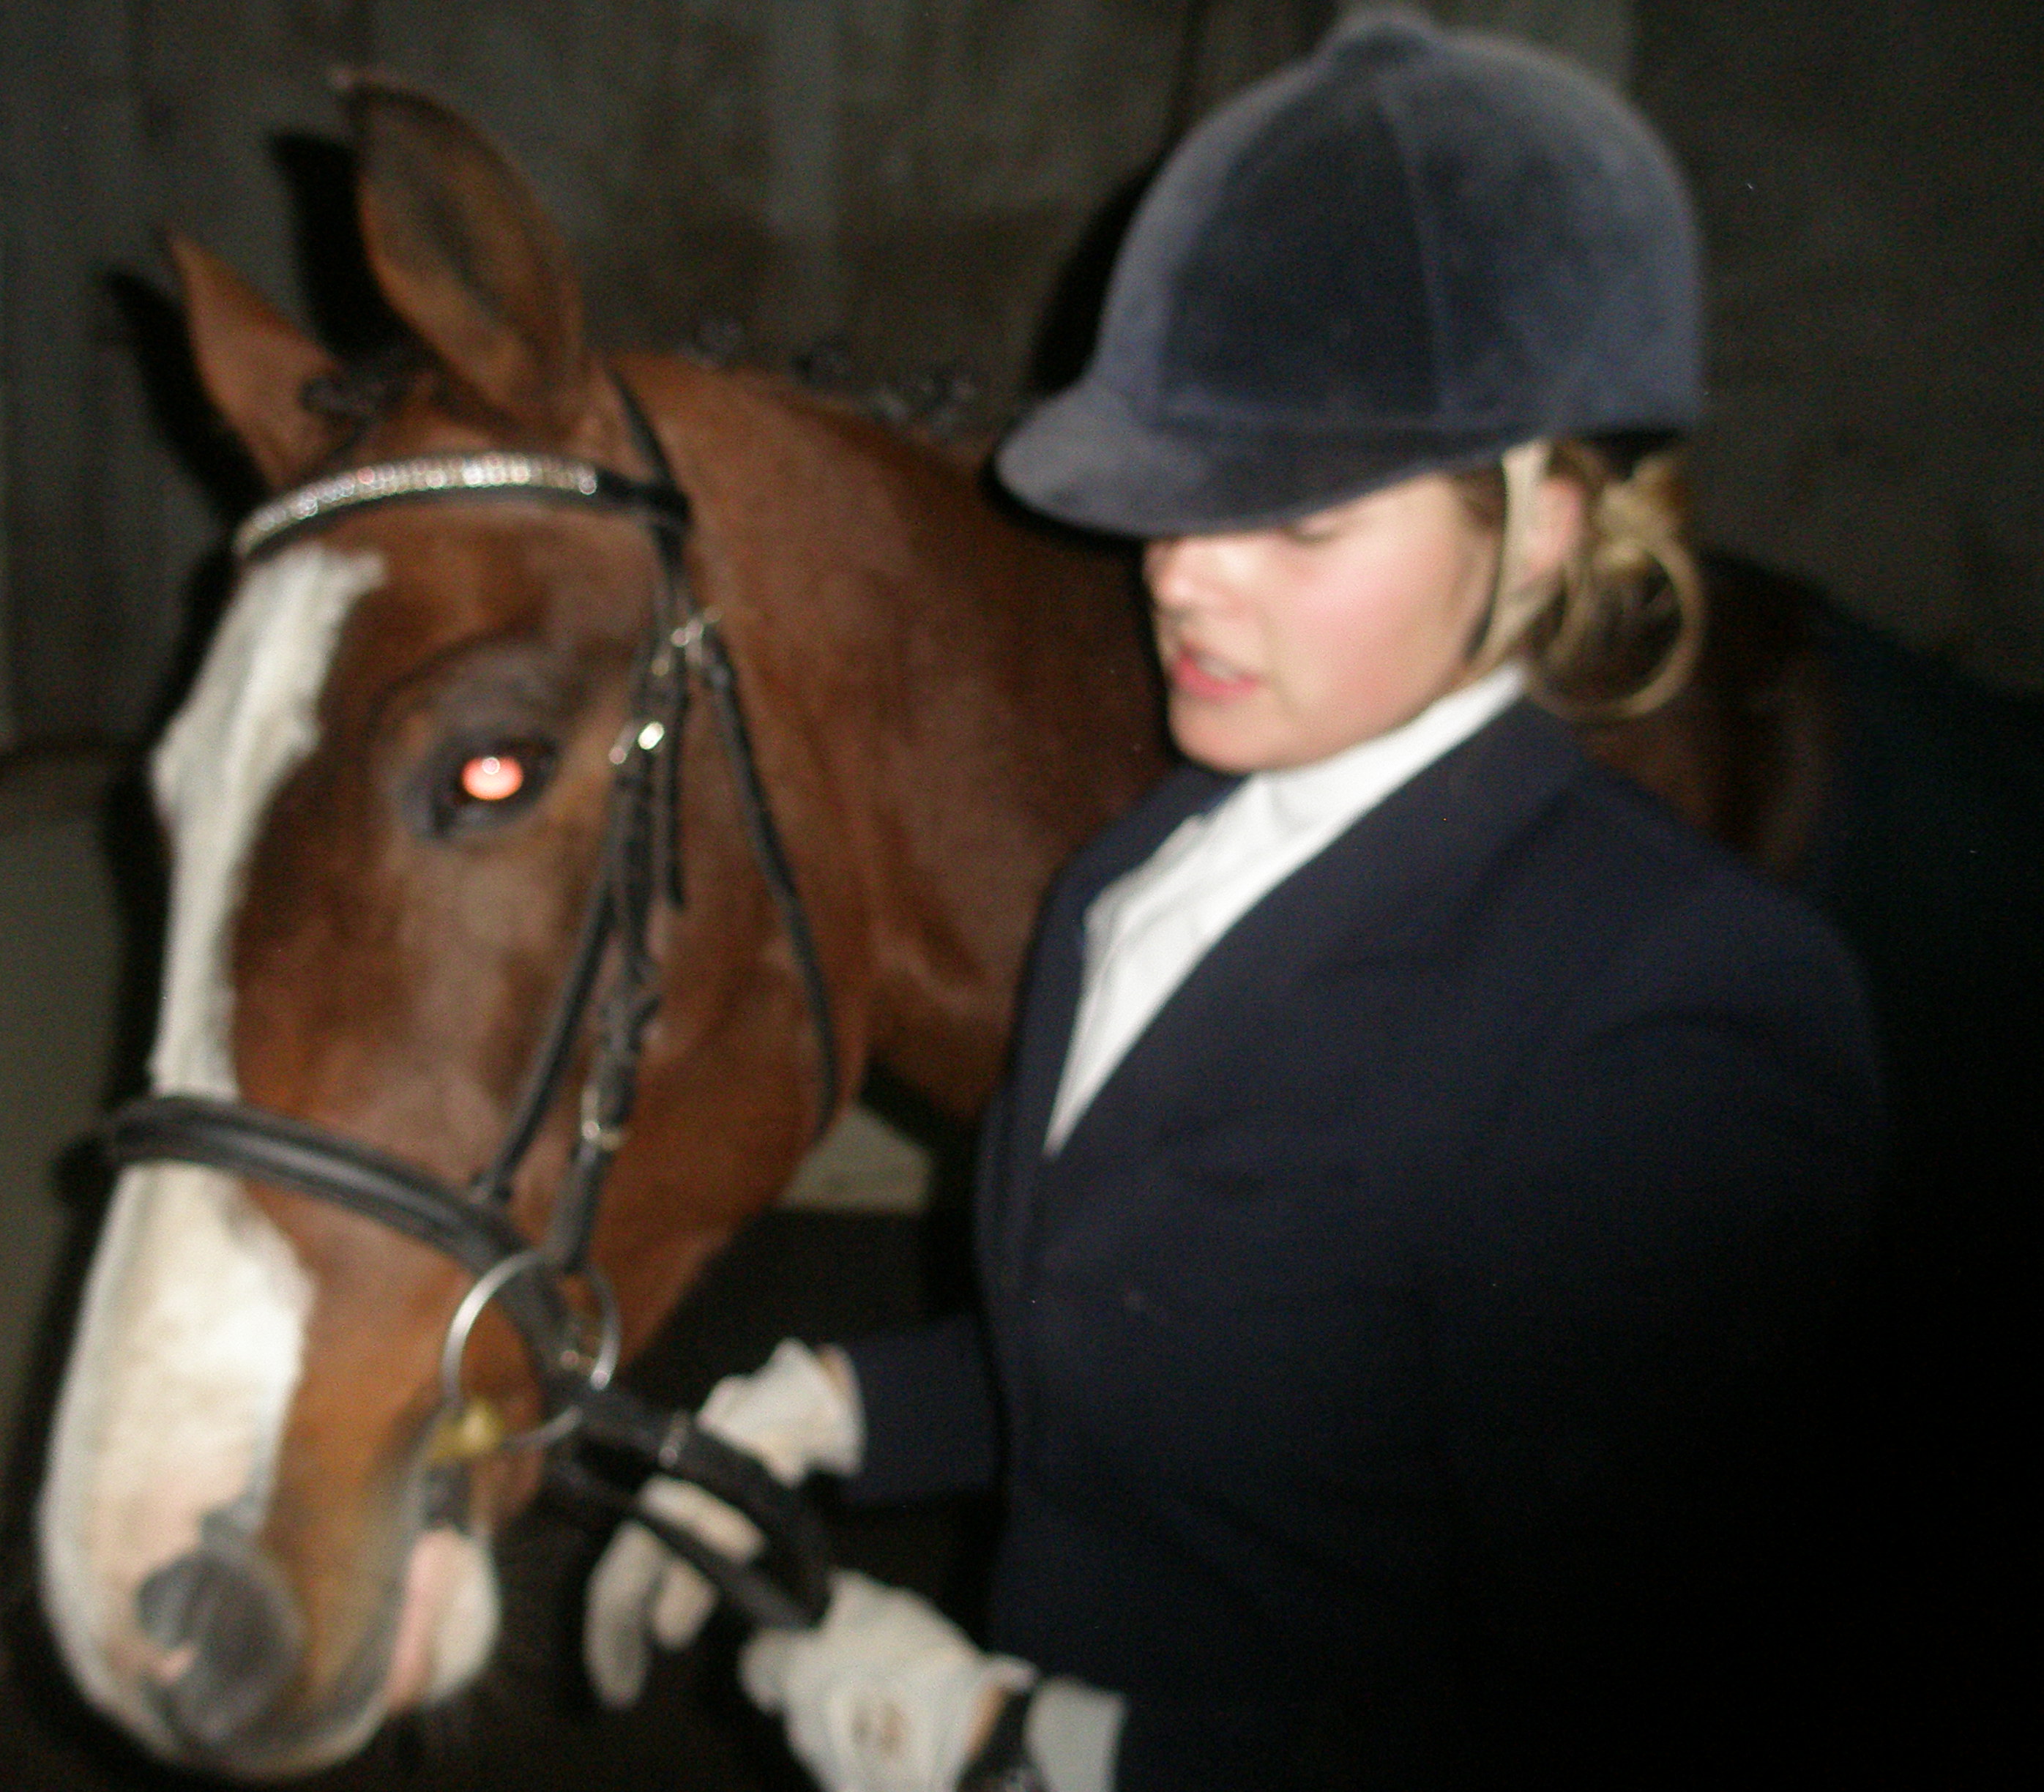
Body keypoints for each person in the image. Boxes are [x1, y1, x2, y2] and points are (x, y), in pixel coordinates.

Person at [588, 13, 1880, 1789]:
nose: (1181, 574)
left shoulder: (1677, 1012)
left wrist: (1033, 1749)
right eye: (1178, 500)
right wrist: (825, 1414)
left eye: (1300, 527)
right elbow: (1167, 1362)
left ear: (1543, 530)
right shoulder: (1136, 874)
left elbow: (1632, 1712)